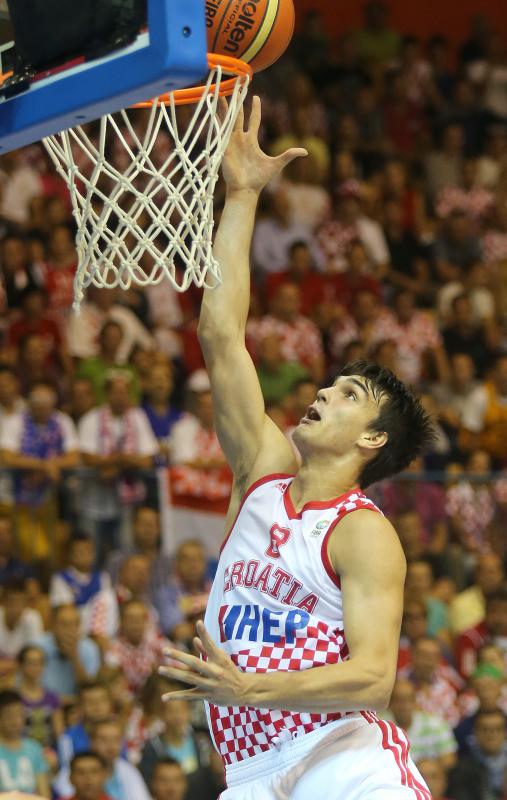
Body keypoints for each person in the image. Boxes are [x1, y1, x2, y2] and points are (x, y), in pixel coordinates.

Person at [159, 98, 434, 798]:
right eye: (330, 383)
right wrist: (242, 195)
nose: (323, 393)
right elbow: (221, 336)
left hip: (342, 756)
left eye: (347, 396)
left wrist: (253, 688)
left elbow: (373, 677)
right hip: (249, 774)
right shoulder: (261, 470)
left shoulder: (362, 533)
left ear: (372, 440)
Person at [53, 718, 150, 800]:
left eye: (115, 739)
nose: (110, 745)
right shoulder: (70, 770)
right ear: (91, 741)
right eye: (104, 739)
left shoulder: (129, 770)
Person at [387, 678, 457, 769]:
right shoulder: (378, 727)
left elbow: (449, 761)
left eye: (408, 699)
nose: (404, 705)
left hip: (426, 780)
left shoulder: (436, 725)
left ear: (415, 702)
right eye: (398, 700)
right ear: (389, 703)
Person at [34, 604, 101, 698]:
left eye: (74, 625)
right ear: (53, 625)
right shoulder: (37, 646)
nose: (69, 630)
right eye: (64, 624)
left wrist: (74, 658)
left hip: (76, 705)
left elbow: (88, 688)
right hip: (43, 703)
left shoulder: (89, 649)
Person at [447, 709, 507, 800]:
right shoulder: (462, 770)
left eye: (497, 729)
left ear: (505, 732)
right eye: (485, 729)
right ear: (475, 732)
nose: (491, 735)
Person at [0, 689, 50, 796]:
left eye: (20, 715)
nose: (16, 721)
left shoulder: (34, 748)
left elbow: (44, 793)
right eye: (10, 716)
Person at [17, 645, 63, 753]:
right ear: (20, 665)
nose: (35, 667)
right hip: (20, 751)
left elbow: (59, 733)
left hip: (48, 753)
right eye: (31, 663)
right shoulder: (13, 697)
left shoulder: (52, 697)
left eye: (39, 663)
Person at [58, 682, 113, 769]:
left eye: (102, 700)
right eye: (90, 702)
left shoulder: (118, 735)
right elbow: (67, 772)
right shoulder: (67, 738)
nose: (97, 706)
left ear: (110, 704)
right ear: (79, 707)